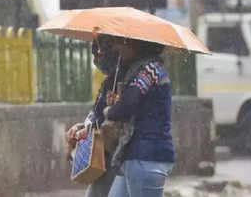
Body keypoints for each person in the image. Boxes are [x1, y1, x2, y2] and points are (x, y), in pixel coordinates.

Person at [103, 37, 174, 197]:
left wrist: (110, 110)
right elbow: (131, 105)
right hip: (135, 156)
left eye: (121, 42)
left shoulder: (150, 71)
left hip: (147, 157)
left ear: (134, 44)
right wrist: (116, 105)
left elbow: (127, 105)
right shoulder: (141, 71)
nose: (116, 47)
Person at [66, 35, 122, 197]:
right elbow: (97, 112)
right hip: (105, 155)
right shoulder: (108, 82)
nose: (97, 59)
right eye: (95, 54)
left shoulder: (126, 81)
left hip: (118, 156)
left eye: (101, 54)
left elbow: (114, 119)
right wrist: (83, 126)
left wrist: (94, 126)